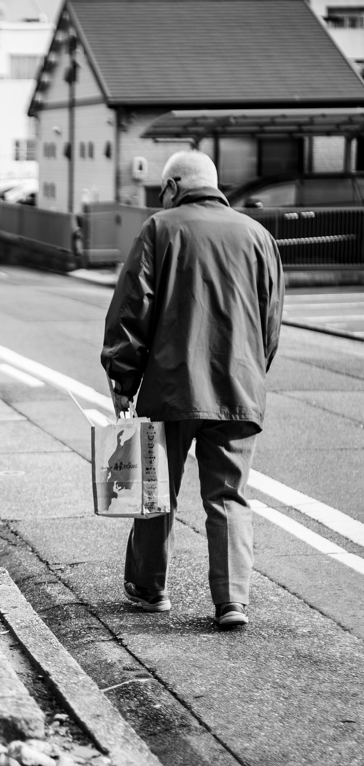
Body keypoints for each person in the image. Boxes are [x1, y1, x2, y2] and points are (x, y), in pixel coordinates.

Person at [101, 150, 283, 629]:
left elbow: (131, 309)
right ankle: (231, 602)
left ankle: (150, 588)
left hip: (171, 387)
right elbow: (270, 322)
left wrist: (123, 380)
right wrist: (251, 374)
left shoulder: (161, 229)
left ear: (173, 186)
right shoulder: (259, 236)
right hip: (239, 388)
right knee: (228, 495)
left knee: (158, 490)